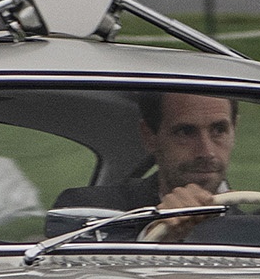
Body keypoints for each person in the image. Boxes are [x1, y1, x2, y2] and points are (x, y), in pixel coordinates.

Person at [52, 91, 237, 243]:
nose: (206, 152)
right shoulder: (90, 208)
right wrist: (153, 236)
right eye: (186, 132)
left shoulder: (258, 227)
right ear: (150, 137)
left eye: (219, 130)